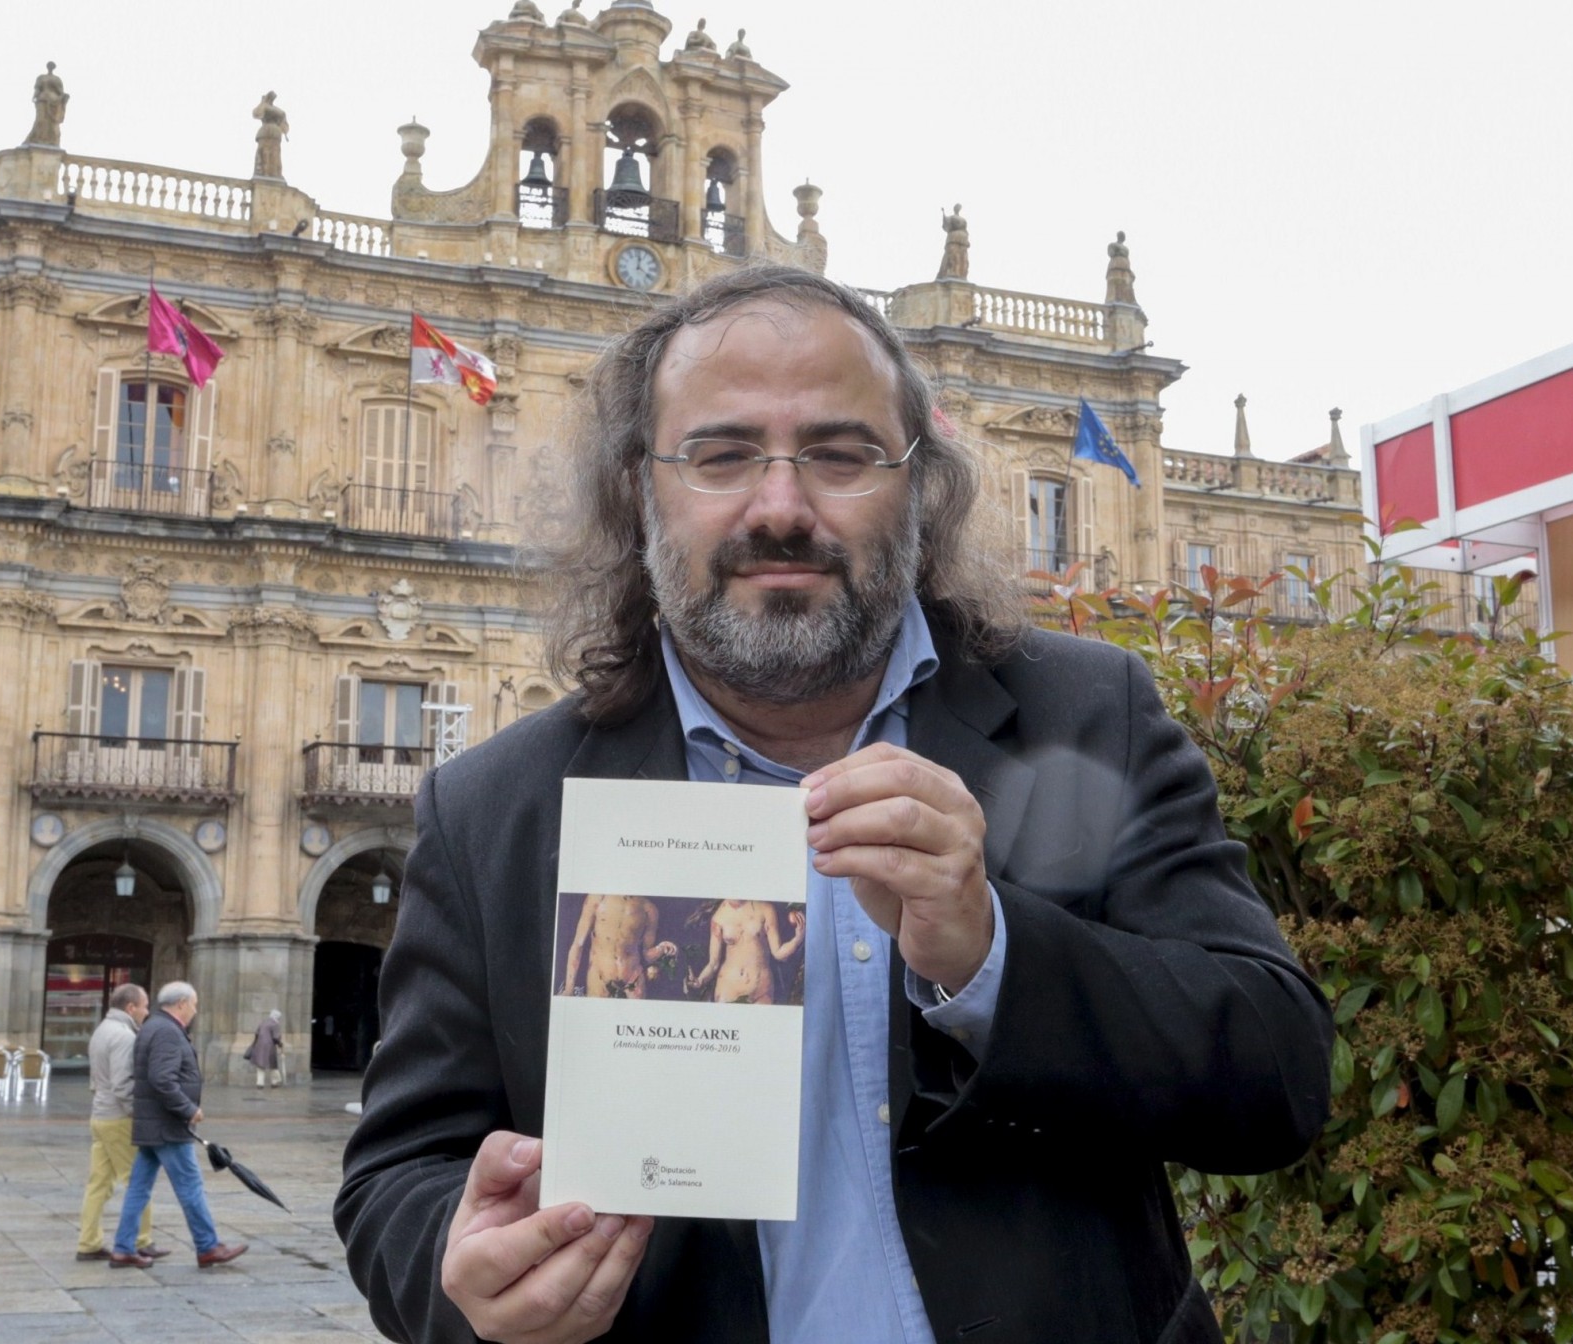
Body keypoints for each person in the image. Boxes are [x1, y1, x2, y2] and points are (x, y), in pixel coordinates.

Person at [336, 261, 1334, 1343]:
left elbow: (1275, 1078)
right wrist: (459, 1266)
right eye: (720, 455)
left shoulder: (1088, 715)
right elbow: (399, 1175)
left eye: (839, 453)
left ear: (919, 484)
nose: (780, 506)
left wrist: (990, 953)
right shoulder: (495, 810)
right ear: (638, 489)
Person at [111, 982, 247, 1269]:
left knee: (139, 1187)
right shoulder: (166, 1031)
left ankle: (123, 1248)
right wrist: (189, 1109)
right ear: (182, 1003)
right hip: (167, 1125)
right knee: (190, 1185)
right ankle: (208, 1246)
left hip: (153, 1124)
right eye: (194, 1004)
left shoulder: (154, 1026)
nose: (195, 1010)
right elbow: (162, 1078)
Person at [76, 984, 165, 1261]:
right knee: (137, 1180)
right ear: (131, 1008)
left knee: (98, 1183)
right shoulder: (124, 1036)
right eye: (145, 1006)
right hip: (118, 1118)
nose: (147, 1012)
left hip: (100, 1115)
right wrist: (137, 1114)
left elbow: (96, 1079)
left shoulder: (102, 1030)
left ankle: (88, 1242)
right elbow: (123, 1084)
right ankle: (141, 1240)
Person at [686, 900, 806, 1005]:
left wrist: (797, 939)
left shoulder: (766, 909)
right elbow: (713, 964)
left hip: (761, 990)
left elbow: (778, 953)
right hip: (728, 989)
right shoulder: (719, 917)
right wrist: (700, 980)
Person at [559, 895, 677, 999]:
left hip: (633, 978)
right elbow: (578, 945)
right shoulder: (598, 898)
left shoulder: (649, 909)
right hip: (600, 977)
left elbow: (647, 955)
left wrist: (661, 948)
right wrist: (569, 989)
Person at [246, 1009, 284, 1089]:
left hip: (259, 1046)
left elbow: (256, 1033)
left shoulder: (263, 1022)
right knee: (273, 1065)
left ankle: (260, 1083)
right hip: (269, 1047)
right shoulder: (275, 1024)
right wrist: (280, 1044)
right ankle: (275, 1082)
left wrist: (256, 1043)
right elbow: (276, 1037)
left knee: (260, 1065)